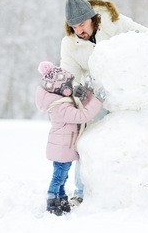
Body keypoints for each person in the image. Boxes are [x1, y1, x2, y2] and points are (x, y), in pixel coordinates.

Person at [60, 0, 148, 204]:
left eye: (82, 24)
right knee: (88, 140)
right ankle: (81, 190)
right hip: (96, 97)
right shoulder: (69, 44)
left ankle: (146, 188)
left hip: (126, 92)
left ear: (93, 18)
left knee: (138, 137)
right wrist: (78, 88)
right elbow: (69, 76)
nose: (79, 31)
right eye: (74, 27)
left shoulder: (115, 22)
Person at [35, 61, 106, 216]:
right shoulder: (60, 106)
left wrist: (87, 93)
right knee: (59, 176)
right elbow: (81, 115)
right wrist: (97, 101)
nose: (73, 86)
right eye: (69, 84)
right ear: (61, 88)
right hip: (62, 147)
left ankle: (61, 198)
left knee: (62, 174)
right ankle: (52, 199)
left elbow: (79, 105)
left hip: (64, 146)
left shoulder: (62, 101)